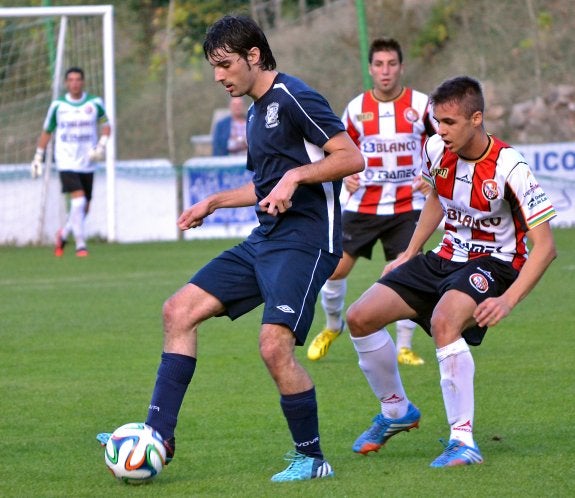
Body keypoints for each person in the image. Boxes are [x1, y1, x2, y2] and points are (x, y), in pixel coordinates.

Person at [97, 15, 363, 482]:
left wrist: (296, 176)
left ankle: (313, 458)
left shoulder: (293, 96)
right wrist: (214, 201)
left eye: (224, 64)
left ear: (253, 56)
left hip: (306, 243)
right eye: (213, 67)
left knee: (273, 346)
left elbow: (351, 156)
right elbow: (263, 185)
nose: (219, 76)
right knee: (178, 311)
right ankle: (157, 433)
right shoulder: (257, 110)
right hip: (266, 239)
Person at [346, 75, 557, 467]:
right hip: (444, 257)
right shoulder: (434, 149)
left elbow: (545, 248)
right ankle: (396, 411)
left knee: (445, 322)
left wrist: (508, 300)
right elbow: (437, 201)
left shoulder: (511, 167)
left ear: (476, 118)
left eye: (450, 123)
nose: (440, 131)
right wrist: (410, 252)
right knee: (359, 317)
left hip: (494, 263)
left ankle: (463, 442)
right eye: (437, 122)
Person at [307, 38, 436, 365]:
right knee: (335, 269)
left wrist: (433, 174)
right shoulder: (356, 108)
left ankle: (404, 345)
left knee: (406, 271)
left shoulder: (422, 106)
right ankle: (333, 326)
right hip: (363, 204)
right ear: (370, 69)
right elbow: (335, 148)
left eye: (391, 64)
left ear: (401, 67)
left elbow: (447, 143)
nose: (385, 71)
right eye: (379, 64)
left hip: (408, 206)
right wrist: (343, 172)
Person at [31, 67, 111, 257]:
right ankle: (81, 245)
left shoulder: (94, 103)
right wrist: (38, 157)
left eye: (78, 80)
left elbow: (106, 126)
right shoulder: (58, 106)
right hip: (66, 161)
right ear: (66, 83)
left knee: (84, 208)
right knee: (79, 200)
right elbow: (47, 132)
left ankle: (63, 234)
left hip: (88, 162)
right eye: (71, 80)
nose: (75, 83)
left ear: (83, 82)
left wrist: (101, 145)